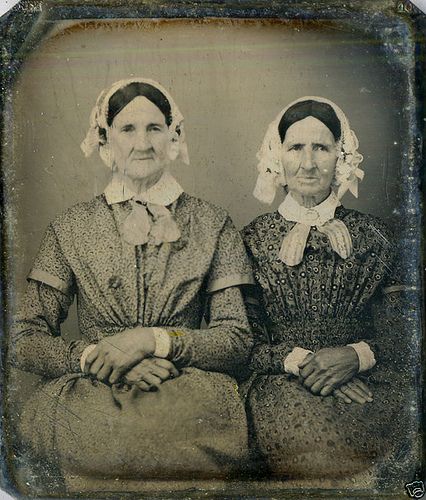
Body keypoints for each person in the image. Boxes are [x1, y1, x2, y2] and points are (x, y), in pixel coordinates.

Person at [10, 78, 254, 492]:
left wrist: (152, 341)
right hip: (93, 389)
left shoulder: (213, 223)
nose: (142, 143)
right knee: (94, 437)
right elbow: (22, 339)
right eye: (128, 129)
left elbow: (236, 340)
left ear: (173, 136)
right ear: (105, 139)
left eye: (154, 128)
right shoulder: (71, 227)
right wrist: (97, 356)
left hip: (183, 387)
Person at [241, 96, 413, 482]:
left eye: (321, 147)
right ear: (277, 156)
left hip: (369, 379)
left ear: (341, 156)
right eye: (295, 148)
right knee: (313, 447)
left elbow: (405, 333)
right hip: (283, 381)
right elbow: (243, 344)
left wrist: (355, 356)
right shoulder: (251, 239)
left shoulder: (375, 235)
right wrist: (309, 363)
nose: (308, 163)